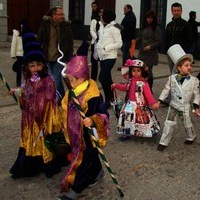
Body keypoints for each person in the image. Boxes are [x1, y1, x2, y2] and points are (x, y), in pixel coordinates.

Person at [9, 33, 67, 179]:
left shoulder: (48, 80)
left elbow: (49, 99)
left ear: (43, 65)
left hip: (44, 118)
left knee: (44, 140)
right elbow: (26, 93)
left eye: (38, 65)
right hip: (30, 119)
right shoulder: (28, 79)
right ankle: (31, 164)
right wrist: (17, 92)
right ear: (27, 66)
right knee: (31, 140)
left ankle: (47, 162)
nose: (35, 68)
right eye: (32, 65)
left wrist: (43, 117)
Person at [58, 41, 109, 200]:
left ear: (83, 77)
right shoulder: (73, 90)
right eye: (70, 80)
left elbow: (103, 114)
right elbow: (66, 106)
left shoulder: (92, 94)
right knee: (91, 158)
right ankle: (98, 170)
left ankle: (77, 189)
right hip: (75, 133)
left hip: (87, 136)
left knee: (85, 159)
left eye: (73, 80)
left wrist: (93, 120)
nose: (70, 84)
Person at [155, 44, 200, 151]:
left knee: (187, 124)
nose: (189, 67)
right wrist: (159, 101)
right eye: (186, 65)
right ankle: (163, 142)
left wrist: (196, 106)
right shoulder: (172, 78)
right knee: (168, 124)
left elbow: (197, 95)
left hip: (185, 107)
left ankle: (192, 136)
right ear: (179, 68)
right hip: (173, 106)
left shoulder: (194, 81)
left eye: (190, 65)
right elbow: (166, 90)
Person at [111, 59, 160, 141]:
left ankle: (146, 132)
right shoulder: (130, 81)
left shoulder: (144, 83)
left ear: (142, 72)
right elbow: (125, 87)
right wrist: (116, 85)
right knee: (126, 119)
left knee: (142, 120)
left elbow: (148, 95)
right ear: (130, 72)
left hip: (140, 105)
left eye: (138, 71)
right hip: (130, 104)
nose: (136, 73)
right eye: (133, 71)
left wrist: (153, 103)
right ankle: (126, 133)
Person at [37, 6, 73, 104]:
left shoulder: (65, 26)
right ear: (53, 15)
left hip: (60, 58)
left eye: (62, 14)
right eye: (59, 14)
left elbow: (70, 42)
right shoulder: (46, 25)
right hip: (48, 57)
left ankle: (58, 99)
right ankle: (62, 96)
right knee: (53, 79)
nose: (62, 16)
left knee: (55, 79)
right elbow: (39, 38)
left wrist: (68, 58)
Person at [96, 9, 122, 109]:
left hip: (110, 56)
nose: (101, 16)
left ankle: (108, 99)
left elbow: (119, 43)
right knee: (107, 78)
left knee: (102, 77)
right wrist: (97, 52)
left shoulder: (114, 28)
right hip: (102, 56)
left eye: (103, 15)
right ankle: (112, 99)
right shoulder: (103, 26)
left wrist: (107, 48)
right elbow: (100, 40)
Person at [137, 10, 162, 90]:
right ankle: (143, 88)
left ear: (154, 19)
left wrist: (150, 47)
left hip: (151, 53)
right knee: (142, 71)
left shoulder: (156, 28)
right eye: (148, 18)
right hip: (142, 52)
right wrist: (134, 41)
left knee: (148, 72)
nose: (149, 19)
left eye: (151, 18)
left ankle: (149, 90)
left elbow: (159, 41)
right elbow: (140, 37)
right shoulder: (143, 26)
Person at [165, 2, 193, 74]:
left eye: (178, 10)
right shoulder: (169, 25)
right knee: (172, 72)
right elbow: (166, 38)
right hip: (170, 53)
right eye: (174, 10)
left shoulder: (185, 24)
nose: (176, 12)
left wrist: (183, 51)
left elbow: (190, 39)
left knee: (180, 72)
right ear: (172, 11)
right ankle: (173, 84)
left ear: (181, 11)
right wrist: (167, 49)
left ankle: (180, 85)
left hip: (181, 54)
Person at [10, 19, 30, 86]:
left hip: (21, 54)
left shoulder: (17, 32)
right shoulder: (18, 32)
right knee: (25, 68)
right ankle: (25, 82)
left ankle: (19, 83)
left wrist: (13, 54)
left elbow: (14, 44)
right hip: (25, 54)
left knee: (21, 69)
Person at [90, 6, 104, 80]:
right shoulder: (94, 21)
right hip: (95, 42)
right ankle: (93, 77)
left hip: (103, 44)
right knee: (94, 61)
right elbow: (91, 30)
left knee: (102, 61)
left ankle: (102, 76)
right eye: (100, 12)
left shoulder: (105, 22)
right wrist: (96, 38)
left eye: (102, 12)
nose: (101, 13)